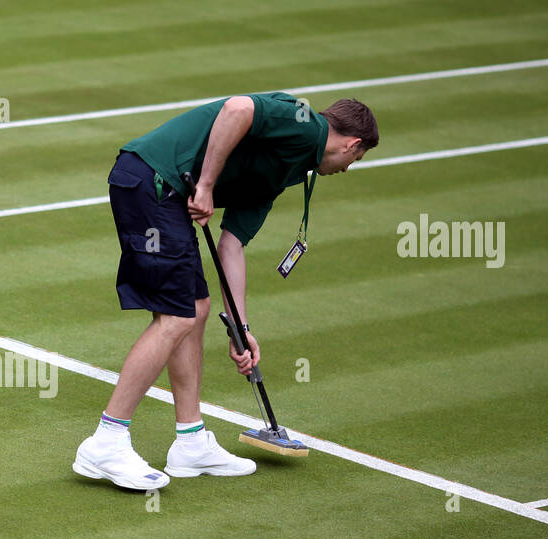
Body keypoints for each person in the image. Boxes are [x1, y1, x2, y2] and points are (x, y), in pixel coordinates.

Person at [73, 94, 379, 489]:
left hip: (164, 191)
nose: (347, 168)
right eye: (355, 160)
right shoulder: (305, 124)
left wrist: (240, 327)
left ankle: (191, 443)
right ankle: (106, 443)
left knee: (196, 308)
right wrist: (206, 185)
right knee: (177, 314)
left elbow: (231, 246)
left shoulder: (287, 170)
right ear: (353, 144)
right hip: (153, 179)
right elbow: (237, 108)